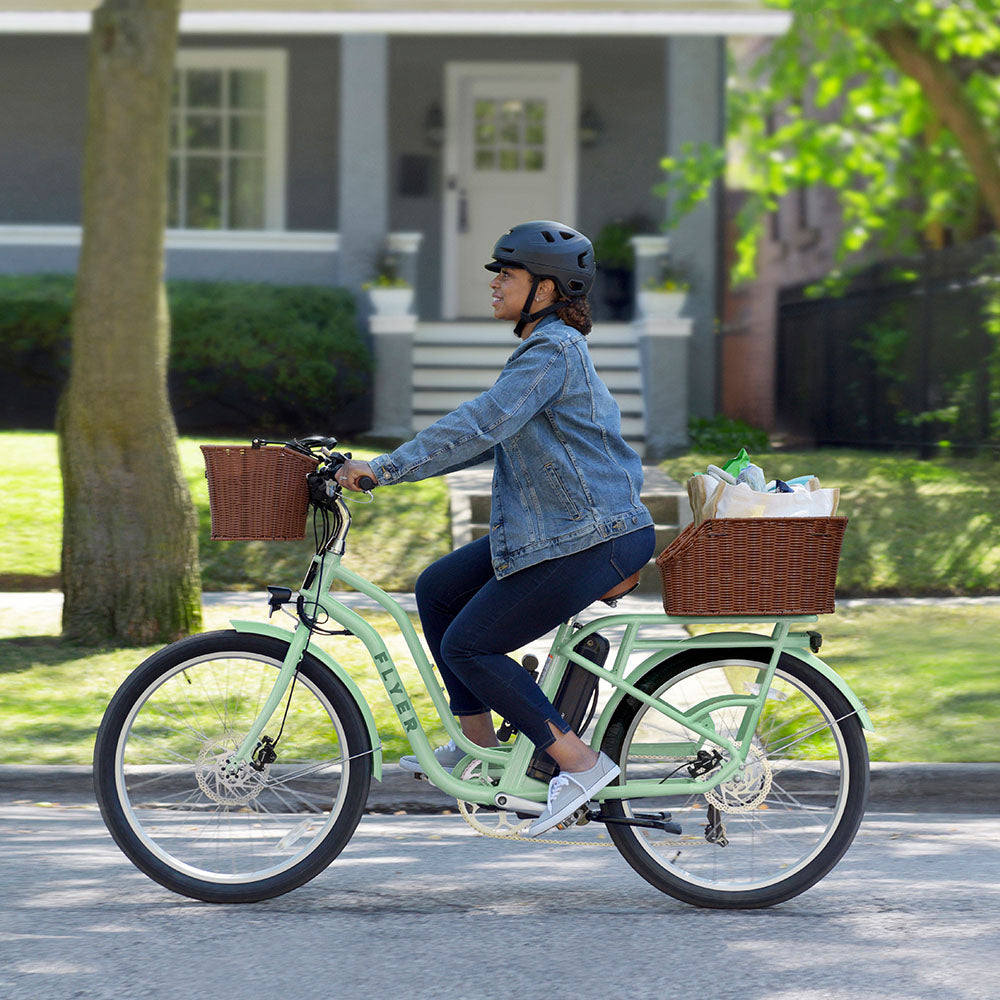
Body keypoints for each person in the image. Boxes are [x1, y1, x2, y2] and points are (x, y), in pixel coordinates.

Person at [336, 220, 655, 835]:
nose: (494, 283)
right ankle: (478, 748)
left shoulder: (553, 351)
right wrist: (392, 469)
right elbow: (490, 436)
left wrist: (384, 468)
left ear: (546, 289)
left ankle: (580, 765)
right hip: (563, 528)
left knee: (470, 645)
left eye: (506, 274)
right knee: (437, 589)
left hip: (595, 535)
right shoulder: (545, 350)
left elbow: (483, 422)